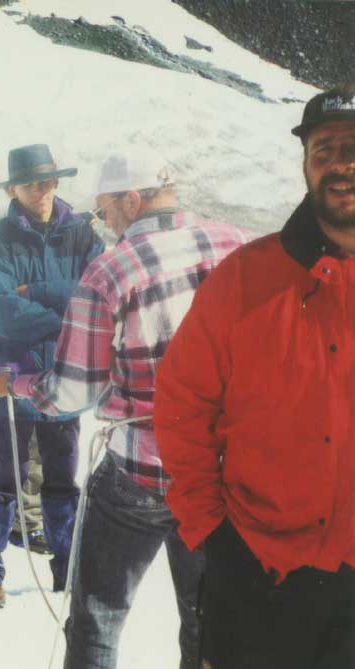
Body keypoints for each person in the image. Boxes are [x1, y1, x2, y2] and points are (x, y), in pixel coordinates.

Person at [0, 149, 250, 669]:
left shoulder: (110, 272)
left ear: (132, 198)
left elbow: (73, 392)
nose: (103, 224)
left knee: (98, 620)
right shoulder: (234, 244)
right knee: (208, 617)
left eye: (105, 211)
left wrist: (12, 383)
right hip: (221, 471)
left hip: (141, 472)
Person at [154, 85, 355, 669]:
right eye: (324, 151)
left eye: (352, 147)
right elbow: (180, 403)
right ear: (305, 165)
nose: (341, 165)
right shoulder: (245, 279)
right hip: (257, 578)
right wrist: (210, 526)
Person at [0, 144, 104, 607]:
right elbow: (4, 314)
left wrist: (42, 291)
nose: (41, 191)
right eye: (31, 184)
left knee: (63, 481)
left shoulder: (84, 235)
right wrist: (69, 315)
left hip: (65, 379)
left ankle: (66, 571)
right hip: (7, 376)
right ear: (13, 189)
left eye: (47, 182)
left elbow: (101, 299)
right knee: (3, 478)